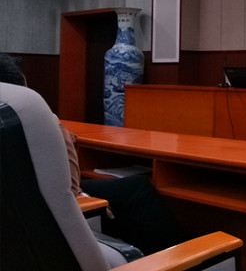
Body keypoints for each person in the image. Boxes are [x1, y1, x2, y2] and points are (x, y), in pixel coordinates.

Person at [0, 53, 187, 255]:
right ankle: (177, 256)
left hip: (18, 212)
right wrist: (55, 125)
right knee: (135, 189)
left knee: (131, 188)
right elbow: (71, 187)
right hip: (48, 213)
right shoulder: (35, 120)